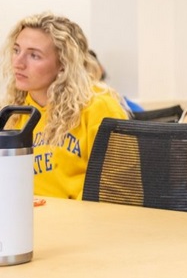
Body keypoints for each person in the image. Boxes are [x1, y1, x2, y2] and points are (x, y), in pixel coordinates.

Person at [1, 12, 129, 199]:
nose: (18, 63)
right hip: (26, 220)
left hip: (81, 223)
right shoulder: (12, 112)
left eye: (34, 56)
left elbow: (120, 191)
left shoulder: (99, 107)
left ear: (63, 64)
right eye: (16, 50)